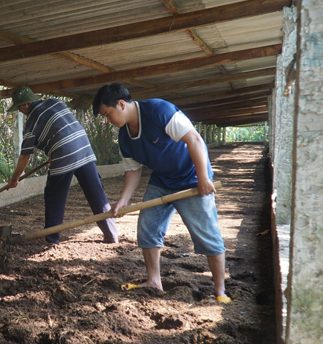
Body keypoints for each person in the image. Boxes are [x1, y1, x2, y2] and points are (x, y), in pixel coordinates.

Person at [92, 83, 230, 303]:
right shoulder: (125, 137)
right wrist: (123, 201)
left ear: (120, 104)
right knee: (148, 226)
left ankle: (220, 291)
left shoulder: (159, 111)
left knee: (207, 232)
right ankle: (154, 281)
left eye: (108, 114)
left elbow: (194, 139)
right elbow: (133, 171)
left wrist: (203, 177)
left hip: (191, 178)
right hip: (162, 180)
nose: (108, 120)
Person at [6, 87, 118, 245]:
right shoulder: (55, 102)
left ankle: (52, 239)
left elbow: (25, 156)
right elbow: (61, 127)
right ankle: (111, 235)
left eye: (19, 107)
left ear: (26, 104)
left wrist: (15, 178)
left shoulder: (31, 123)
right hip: (84, 147)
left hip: (64, 153)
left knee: (54, 195)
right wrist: (54, 151)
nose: (20, 111)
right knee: (96, 193)